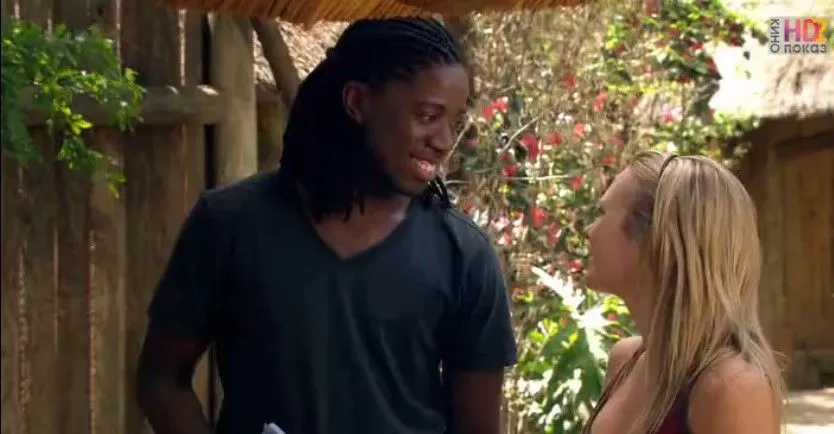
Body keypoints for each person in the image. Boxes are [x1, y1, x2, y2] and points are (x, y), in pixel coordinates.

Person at [135, 17, 517, 434]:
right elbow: (161, 381)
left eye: (454, 122)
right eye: (428, 115)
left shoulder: (464, 257)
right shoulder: (229, 225)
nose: (444, 141)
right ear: (357, 102)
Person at [583, 151, 785, 434]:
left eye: (603, 213)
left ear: (656, 238)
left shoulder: (731, 387)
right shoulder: (625, 361)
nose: (589, 230)